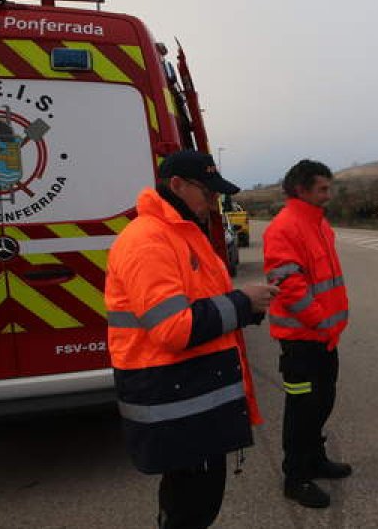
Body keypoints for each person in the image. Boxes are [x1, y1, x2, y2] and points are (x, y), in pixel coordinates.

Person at [105, 150, 278, 529]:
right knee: (191, 507)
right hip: (175, 398)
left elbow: (203, 305)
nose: (214, 203)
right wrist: (242, 301)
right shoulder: (149, 240)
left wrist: (248, 307)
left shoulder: (181, 233)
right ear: (177, 185)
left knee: (193, 503)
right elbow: (174, 328)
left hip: (190, 393)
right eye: (207, 192)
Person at [263, 159, 352, 509]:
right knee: (302, 408)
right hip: (303, 340)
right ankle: (295, 476)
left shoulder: (318, 223)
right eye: (322, 189)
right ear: (301, 189)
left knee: (321, 402)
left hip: (324, 337)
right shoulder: (285, 227)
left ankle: (315, 459)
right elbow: (289, 286)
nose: (328, 195)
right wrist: (321, 321)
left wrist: (329, 327)